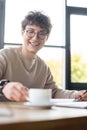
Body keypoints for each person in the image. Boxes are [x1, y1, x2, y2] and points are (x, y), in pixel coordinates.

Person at [0, 10, 87, 102]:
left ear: (47, 37)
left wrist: (77, 95)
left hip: (31, 114)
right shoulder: (4, 56)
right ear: (22, 32)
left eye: (41, 33)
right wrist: (4, 86)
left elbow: (54, 92)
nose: (35, 38)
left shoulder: (43, 67)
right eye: (30, 31)